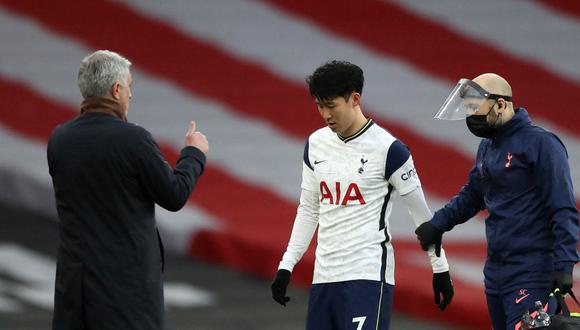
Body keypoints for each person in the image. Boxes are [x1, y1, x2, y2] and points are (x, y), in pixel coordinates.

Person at [270, 60, 454, 329]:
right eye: (319, 106)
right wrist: (287, 265)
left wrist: (440, 269)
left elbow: (423, 218)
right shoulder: (315, 144)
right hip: (324, 277)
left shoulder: (390, 149)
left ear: (355, 99)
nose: (325, 114)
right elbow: (309, 209)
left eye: (331, 105)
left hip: (367, 278)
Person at [47, 50, 209, 330]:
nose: (131, 96)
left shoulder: (60, 139)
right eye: (130, 87)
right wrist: (193, 154)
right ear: (116, 89)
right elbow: (174, 194)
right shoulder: (133, 140)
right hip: (125, 294)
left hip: (74, 291)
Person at [415, 73, 579, 329]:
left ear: (501, 104)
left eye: (475, 108)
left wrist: (565, 264)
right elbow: (473, 194)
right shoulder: (488, 146)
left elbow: (563, 208)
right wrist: (438, 224)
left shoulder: (542, 144)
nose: (471, 116)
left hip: (532, 271)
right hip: (496, 274)